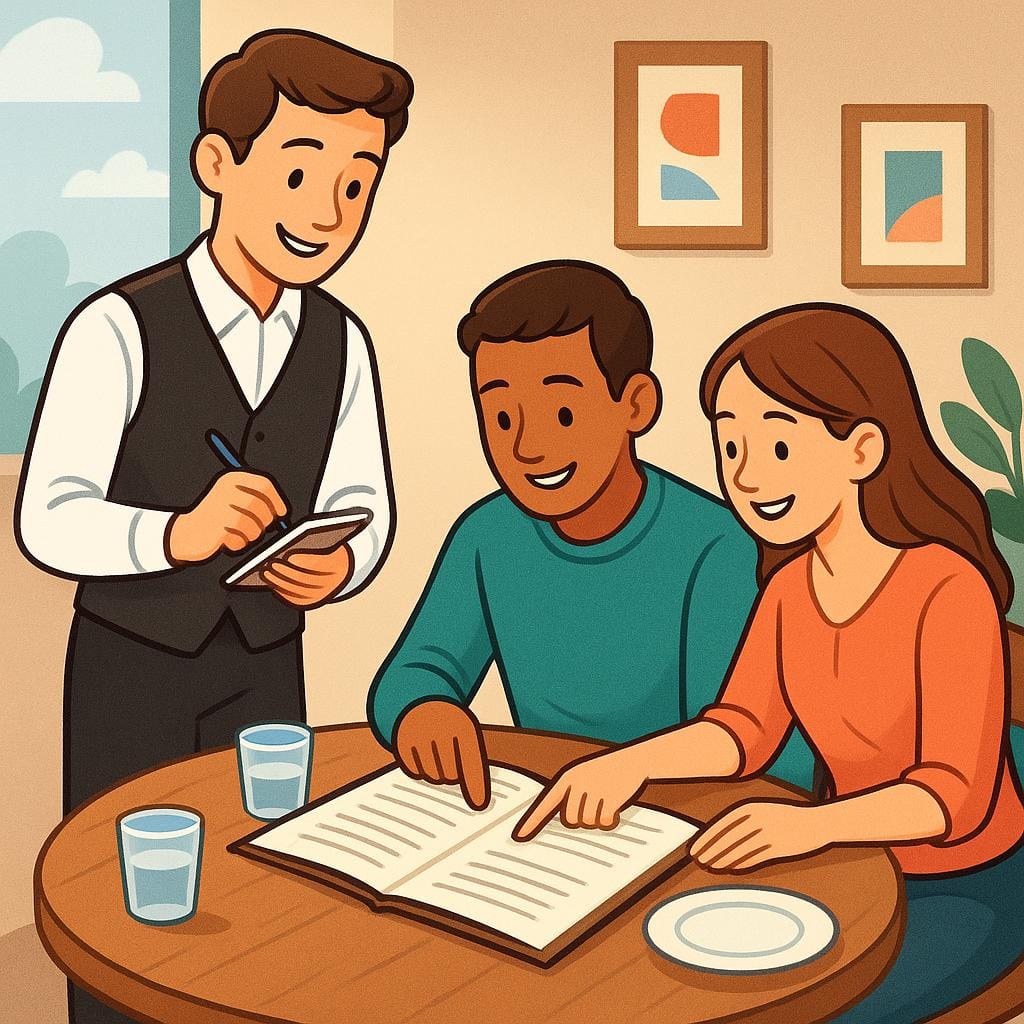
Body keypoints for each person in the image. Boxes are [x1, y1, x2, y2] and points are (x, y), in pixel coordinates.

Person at [17, 31, 412, 1024]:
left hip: (268, 666)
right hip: (132, 666)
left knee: (264, 895)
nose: (326, 211)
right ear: (217, 164)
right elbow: (47, 515)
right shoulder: (117, 326)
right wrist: (174, 536)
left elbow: (368, 500)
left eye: (357, 184)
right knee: (119, 904)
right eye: (299, 172)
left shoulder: (343, 340)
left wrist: (343, 566)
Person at [515, 303, 1024, 1023]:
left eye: (779, 447)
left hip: (968, 885)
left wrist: (808, 827)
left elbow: (953, 799)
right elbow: (743, 730)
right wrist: (627, 765)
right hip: (849, 869)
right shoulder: (789, 588)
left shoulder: (948, 588)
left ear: (863, 450)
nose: (747, 477)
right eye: (731, 447)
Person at [367, 262, 816, 809]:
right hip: (550, 815)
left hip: (682, 821)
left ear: (636, 404)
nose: (528, 447)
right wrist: (424, 710)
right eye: (502, 418)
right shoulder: (488, 536)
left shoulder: (718, 548)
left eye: (562, 413)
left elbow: (753, 747)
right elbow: (416, 669)